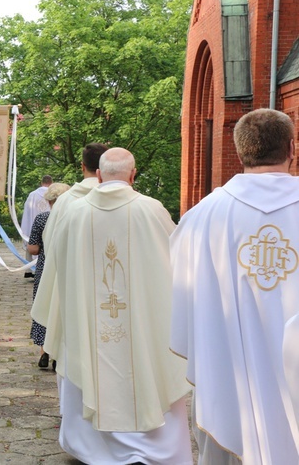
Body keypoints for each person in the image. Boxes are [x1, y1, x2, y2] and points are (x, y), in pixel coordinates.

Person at [35, 148, 191, 464]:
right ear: (133, 176)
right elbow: (179, 264)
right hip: (142, 327)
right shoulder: (152, 210)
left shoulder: (74, 213)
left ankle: (92, 449)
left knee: (86, 364)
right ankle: (156, 449)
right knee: (151, 367)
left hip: (90, 328)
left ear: (100, 175)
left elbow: (56, 269)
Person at [170, 108, 299, 464]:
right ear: (293, 147)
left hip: (228, 381)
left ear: (240, 151)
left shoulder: (201, 217)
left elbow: (183, 305)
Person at [32, 143, 108, 361]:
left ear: (82, 166)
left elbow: (50, 241)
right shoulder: (131, 201)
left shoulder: (66, 200)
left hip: (72, 278)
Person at [27, 182, 69, 370]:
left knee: (44, 305)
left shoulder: (42, 219)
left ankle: (44, 352)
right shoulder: (72, 218)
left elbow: (33, 248)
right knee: (61, 309)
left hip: (44, 269)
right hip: (66, 269)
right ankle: (59, 354)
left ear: (50, 201)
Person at [20, 174, 52, 277]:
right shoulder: (54, 195)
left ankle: (33, 271)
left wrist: (25, 230)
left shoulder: (32, 195)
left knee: (34, 245)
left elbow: (27, 214)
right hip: (49, 228)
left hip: (35, 227)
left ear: (41, 182)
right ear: (51, 183)